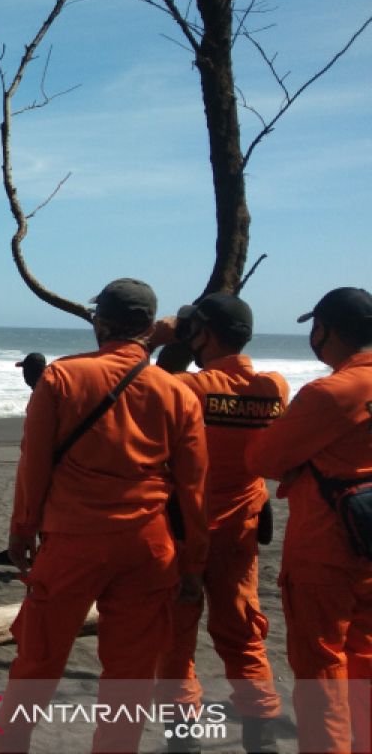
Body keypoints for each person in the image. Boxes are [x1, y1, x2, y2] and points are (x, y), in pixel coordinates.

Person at [0, 278, 209, 753]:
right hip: (148, 547)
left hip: (72, 541)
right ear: (150, 327)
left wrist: (22, 528)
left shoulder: (61, 378)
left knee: (38, 661)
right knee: (129, 675)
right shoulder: (179, 394)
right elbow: (192, 492)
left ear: (99, 322)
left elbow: (35, 462)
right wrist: (193, 563)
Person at [149, 293, 287, 753]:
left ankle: (183, 742)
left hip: (184, 532)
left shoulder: (184, 389)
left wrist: (157, 336)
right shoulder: (275, 388)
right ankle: (262, 738)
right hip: (239, 533)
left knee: (176, 639)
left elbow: (135, 385)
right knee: (243, 633)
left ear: (202, 335)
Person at [247, 287, 372, 754]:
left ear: (329, 331)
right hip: (369, 545)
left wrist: (304, 459)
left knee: (321, 663)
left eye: (315, 328)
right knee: (365, 653)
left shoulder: (329, 392)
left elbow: (263, 456)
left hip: (325, 549)